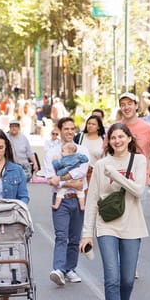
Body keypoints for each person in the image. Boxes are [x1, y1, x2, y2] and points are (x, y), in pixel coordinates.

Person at [79, 123, 149, 300]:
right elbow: (92, 201)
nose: (117, 141)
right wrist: (86, 234)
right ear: (108, 141)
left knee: (127, 279)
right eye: (113, 137)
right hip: (106, 225)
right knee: (112, 276)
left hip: (133, 225)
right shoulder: (101, 165)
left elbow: (138, 190)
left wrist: (115, 176)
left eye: (121, 136)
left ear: (129, 138)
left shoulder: (138, 161)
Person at [44, 117, 90, 286]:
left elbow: (81, 172)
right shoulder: (52, 153)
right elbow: (50, 178)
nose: (70, 132)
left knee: (74, 237)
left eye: (72, 129)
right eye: (66, 129)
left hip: (78, 199)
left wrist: (61, 178)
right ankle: (58, 269)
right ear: (60, 130)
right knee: (61, 236)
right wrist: (70, 182)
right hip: (60, 199)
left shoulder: (83, 151)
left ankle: (70, 269)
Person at [117, 93, 150, 187]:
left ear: (136, 106)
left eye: (129, 103)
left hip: (140, 181)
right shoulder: (114, 128)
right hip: (116, 180)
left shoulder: (148, 128)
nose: (126, 107)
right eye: (123, 105)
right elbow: (106, 152)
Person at [52, 142, 89, 210]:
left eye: (63, 151)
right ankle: (82, 206)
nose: (61, 153)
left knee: (60, 192)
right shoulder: (78, 156)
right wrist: (81, 156)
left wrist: (55, 160)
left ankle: (56, 205)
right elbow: (86, 159)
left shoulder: (64, 159)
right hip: (76, 177)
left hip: (67, 177)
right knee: (80, 192)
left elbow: (57, 165)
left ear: (68, 152)